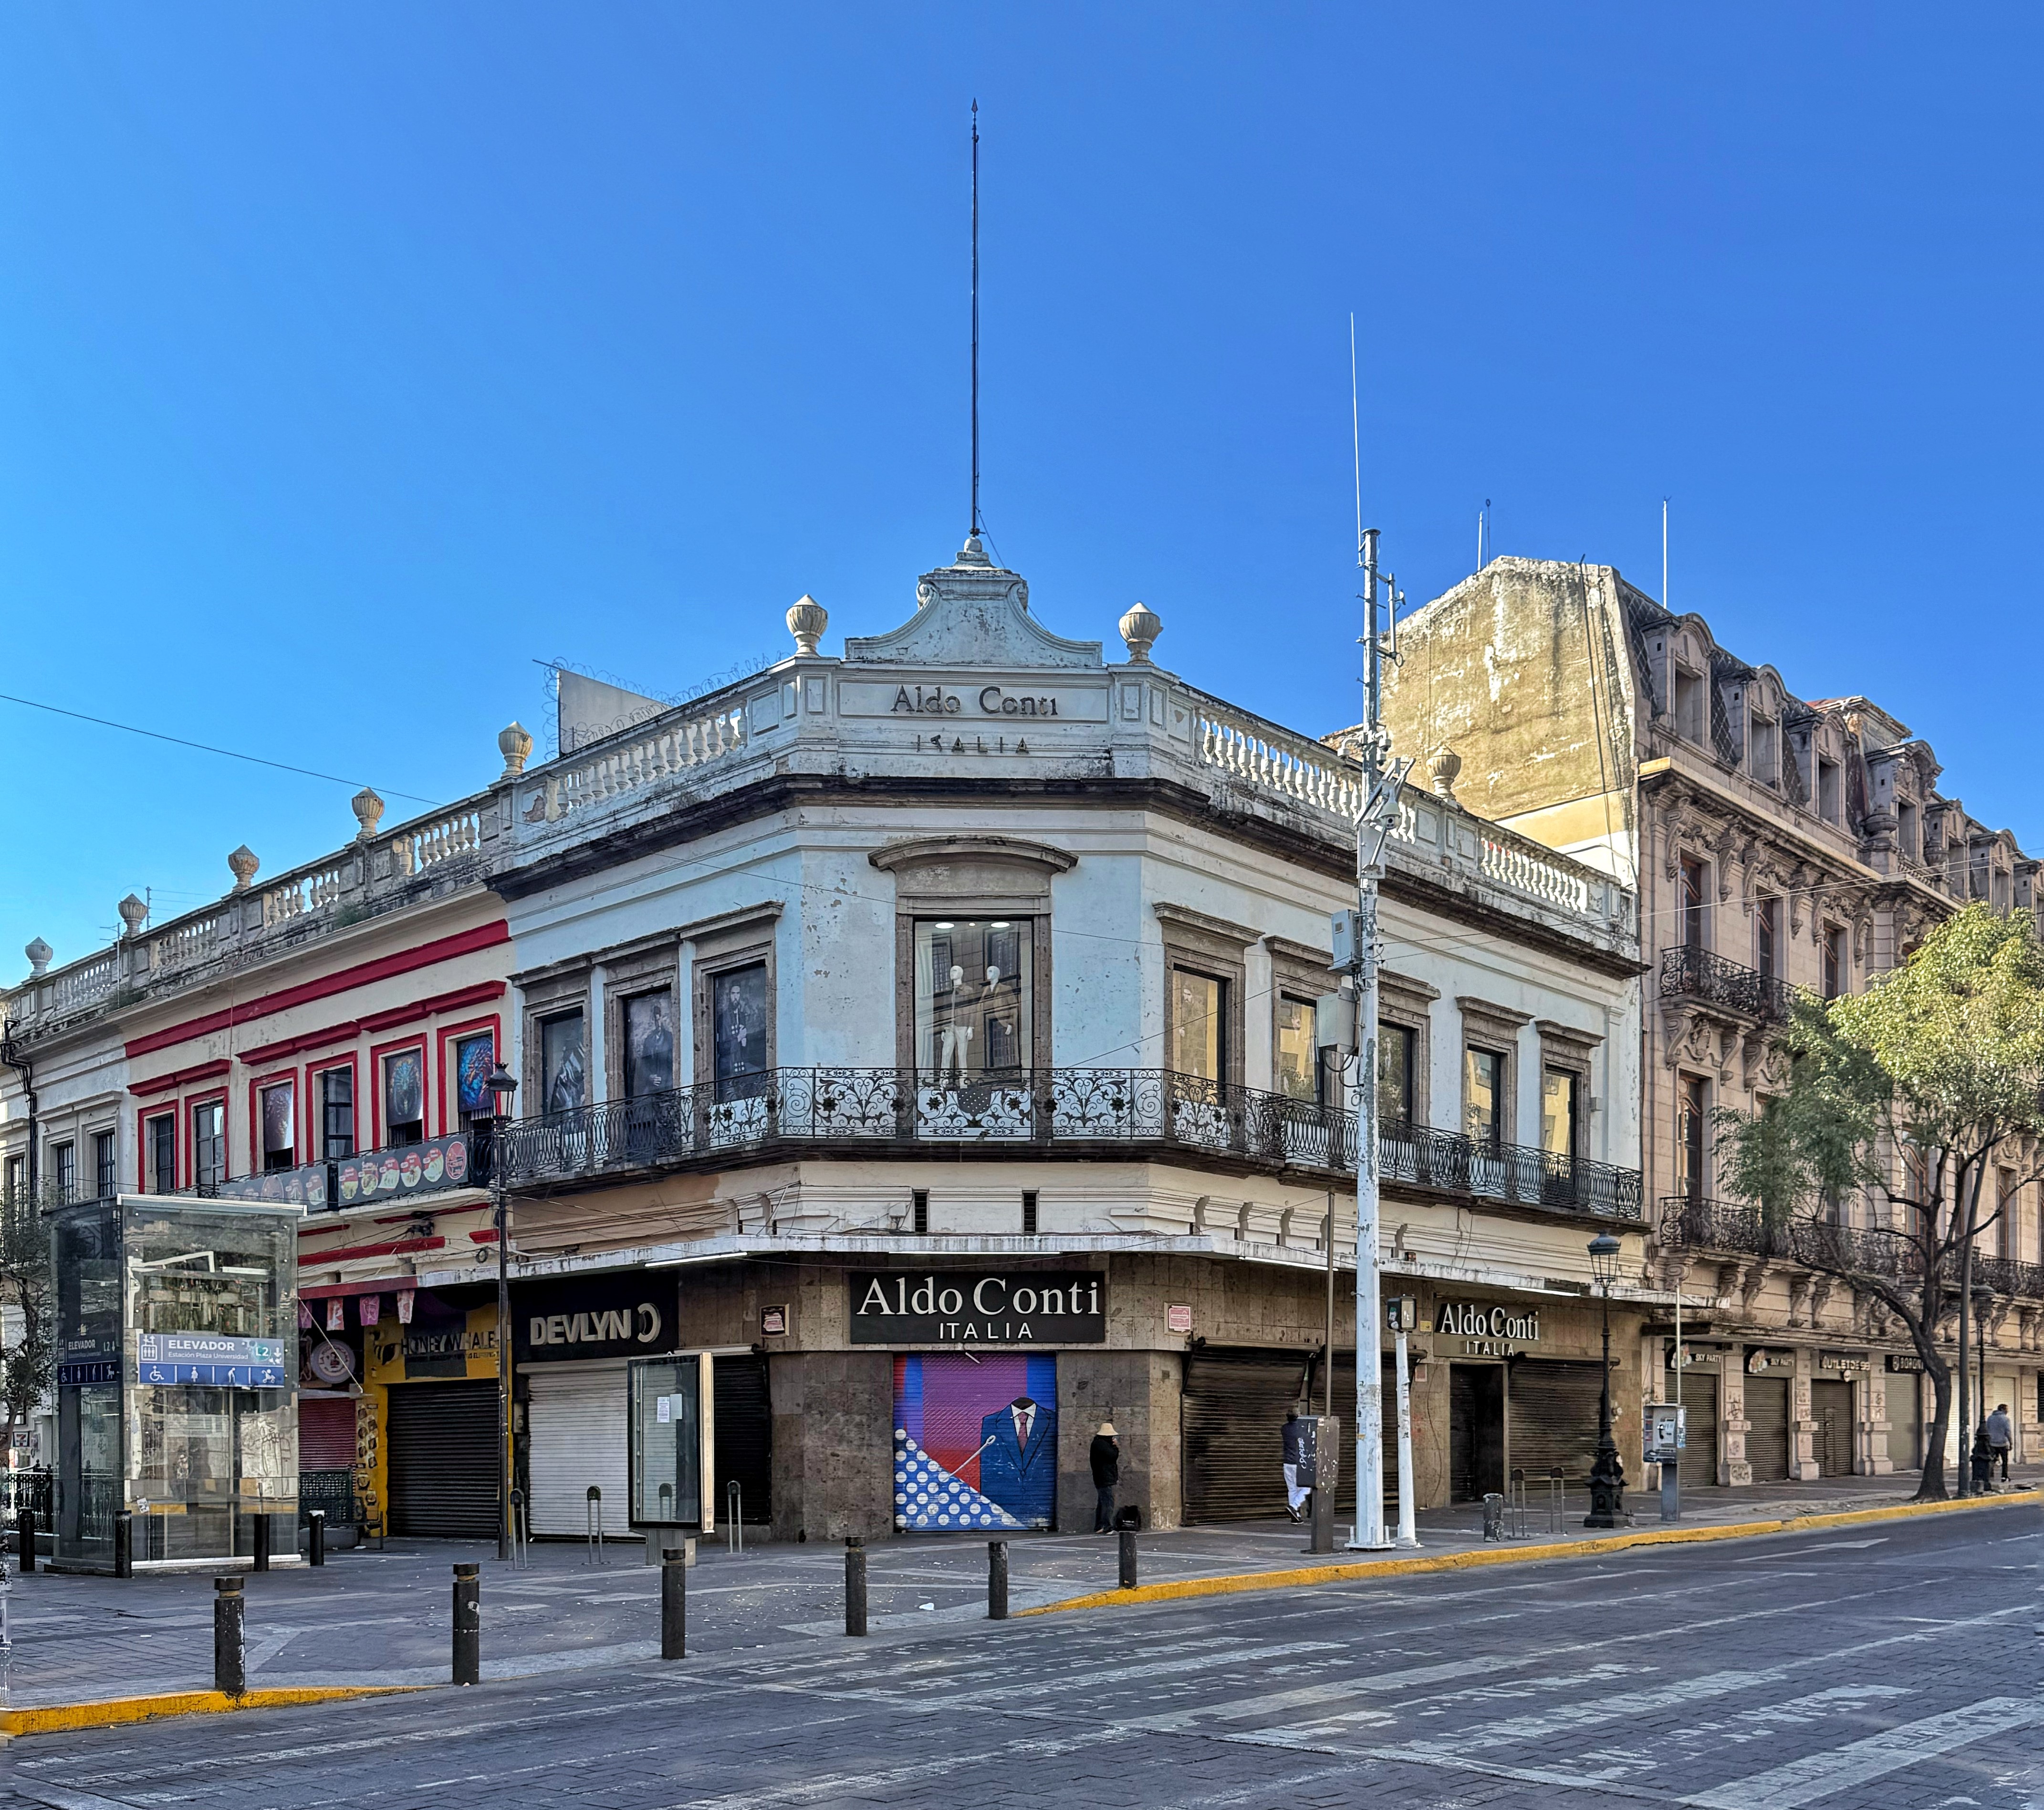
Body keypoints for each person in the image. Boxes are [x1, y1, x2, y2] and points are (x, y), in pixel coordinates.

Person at [1090, 1421, 1120, 1533]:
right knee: (1108, 1502)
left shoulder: (1097, 1443)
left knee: (1102, 1502)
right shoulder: (1102, 1445)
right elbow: (1113, 1456)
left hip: (1101, 1477)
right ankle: (1107, 1526)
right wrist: (1116, 1447)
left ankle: (1099, 1526)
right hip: (1106, 1478)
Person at [1282, 1408, 1310, 1523]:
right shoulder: (1302, 1429)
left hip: (1287, 1462)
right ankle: (1294, 1506)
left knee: (1292, 1489)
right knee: (1307, 1488)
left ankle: (1295, 1516)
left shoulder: (1284, 1428)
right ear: (1298, 1417)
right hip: (1299, 1463)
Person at [1985, 1403, 2013, 1483]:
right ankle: (2004, 1477)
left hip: (1992, 1443)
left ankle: (1990, 1476)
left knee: (1992, 1460)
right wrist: (2011, 1443)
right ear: (2003, 1410)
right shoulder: (2005, 1419)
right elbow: (2008, 1432)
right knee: (2005, 1462)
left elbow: (1987, 1430)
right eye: (2007, 1409)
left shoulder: (1990, 1418)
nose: (2008, 1411)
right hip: (2002, 1444)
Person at [1970, 1421, 1995, 1494]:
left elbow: (1974, 1450)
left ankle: (1982, 1484)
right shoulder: (1985, 1444)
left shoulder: (1980, 1444)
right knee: (1983, 1475)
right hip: (1983, 1460)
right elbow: (1988, 1451)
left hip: (1981, 1459)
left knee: (1981, 1475)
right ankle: (1984, 1485)